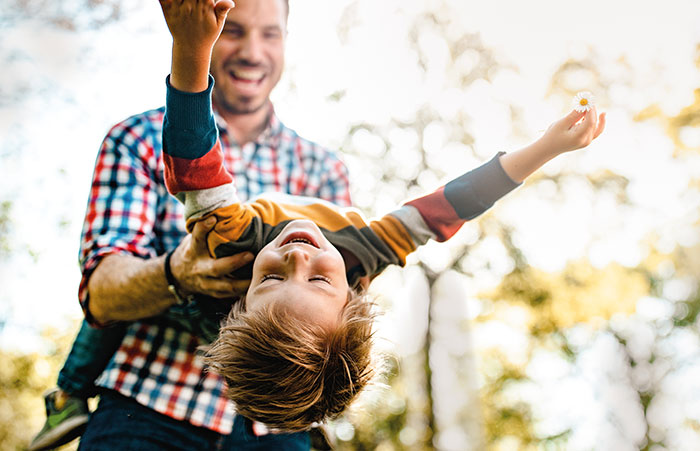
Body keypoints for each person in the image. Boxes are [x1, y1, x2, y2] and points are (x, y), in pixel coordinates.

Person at [156, 0, 608, 433]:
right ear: (356, 293)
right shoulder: (369, 250)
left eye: (270, 279)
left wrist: (192, 51)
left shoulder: (230, 241)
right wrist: (547, 148)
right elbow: (454, 204)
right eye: (319, 282)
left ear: (244, 295)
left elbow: (193, 159)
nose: (296, 259)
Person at [28, 0, 350, 449]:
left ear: (286, 39)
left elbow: (347, 292)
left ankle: (68, 393)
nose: (253, 51)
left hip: (278, 428)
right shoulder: (139, 139)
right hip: (147, 406)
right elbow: (100, 292)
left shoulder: (324, 170)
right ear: (208, 28)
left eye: (269, 34)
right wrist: (177, 273)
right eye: (233, 30)